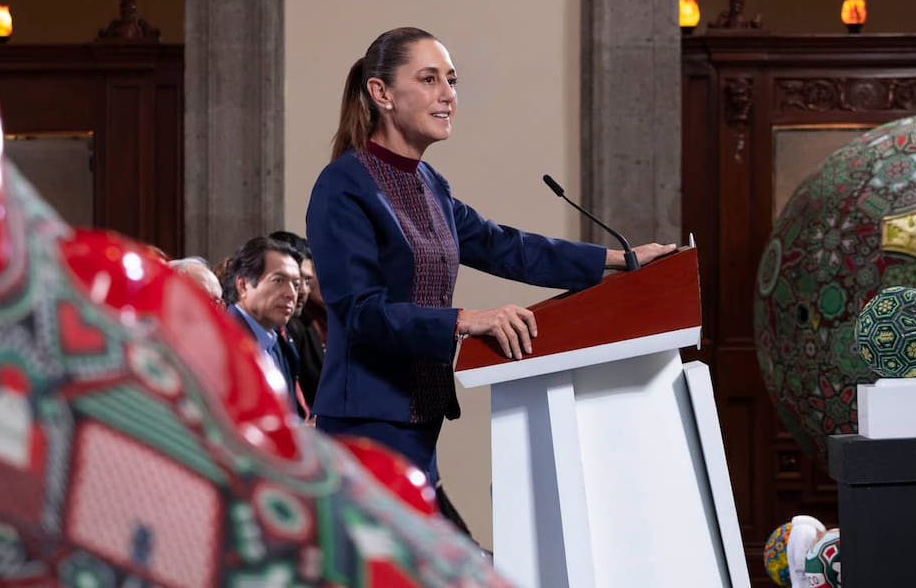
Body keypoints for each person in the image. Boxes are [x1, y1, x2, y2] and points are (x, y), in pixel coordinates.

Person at [305, 26, 675, 524]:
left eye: (452, 81)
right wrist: (465, 320)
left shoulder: (430, 184)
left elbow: (507, 247)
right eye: (430, 79)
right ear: (381, 93)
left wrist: (615, 261)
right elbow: (360, 311)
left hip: (420, 415)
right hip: (366, 423)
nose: (448, 95)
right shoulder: (343, 186)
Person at [225, 236, 309, 420]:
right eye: (279, 280)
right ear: (243, 285)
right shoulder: (223, 338)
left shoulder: (280, 341)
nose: (291, 294)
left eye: (295, 285)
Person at [270, 231, 327, 407]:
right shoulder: (274, 329)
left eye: (306, 281)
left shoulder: (296, 326)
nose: (301, 291)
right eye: (295, 281)